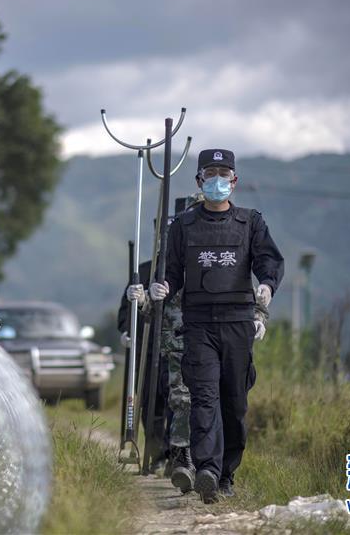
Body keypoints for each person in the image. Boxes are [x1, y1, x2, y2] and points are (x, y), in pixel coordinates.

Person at [128, 148, 283, 503]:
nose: (218, 180)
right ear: (199, 180)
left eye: (224, 174)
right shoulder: (183, 225)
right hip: (198, 324)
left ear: (234, 180)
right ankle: (208, 471)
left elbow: (268, 260)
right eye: (210, 173)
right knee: (204, 400)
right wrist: (162, 286)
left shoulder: (250, 222)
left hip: (238, 323)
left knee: (234, 403)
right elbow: (171, 269)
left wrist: (266, 286)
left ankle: (227, 473)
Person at [117, 260, 171, 473]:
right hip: (147, 348)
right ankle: (156, 455)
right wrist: (126, 331)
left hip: (177, 348)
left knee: (177, 404)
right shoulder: (145, 271)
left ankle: (176, 455)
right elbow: (125, 311)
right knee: (150, 404)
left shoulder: (188, 265)